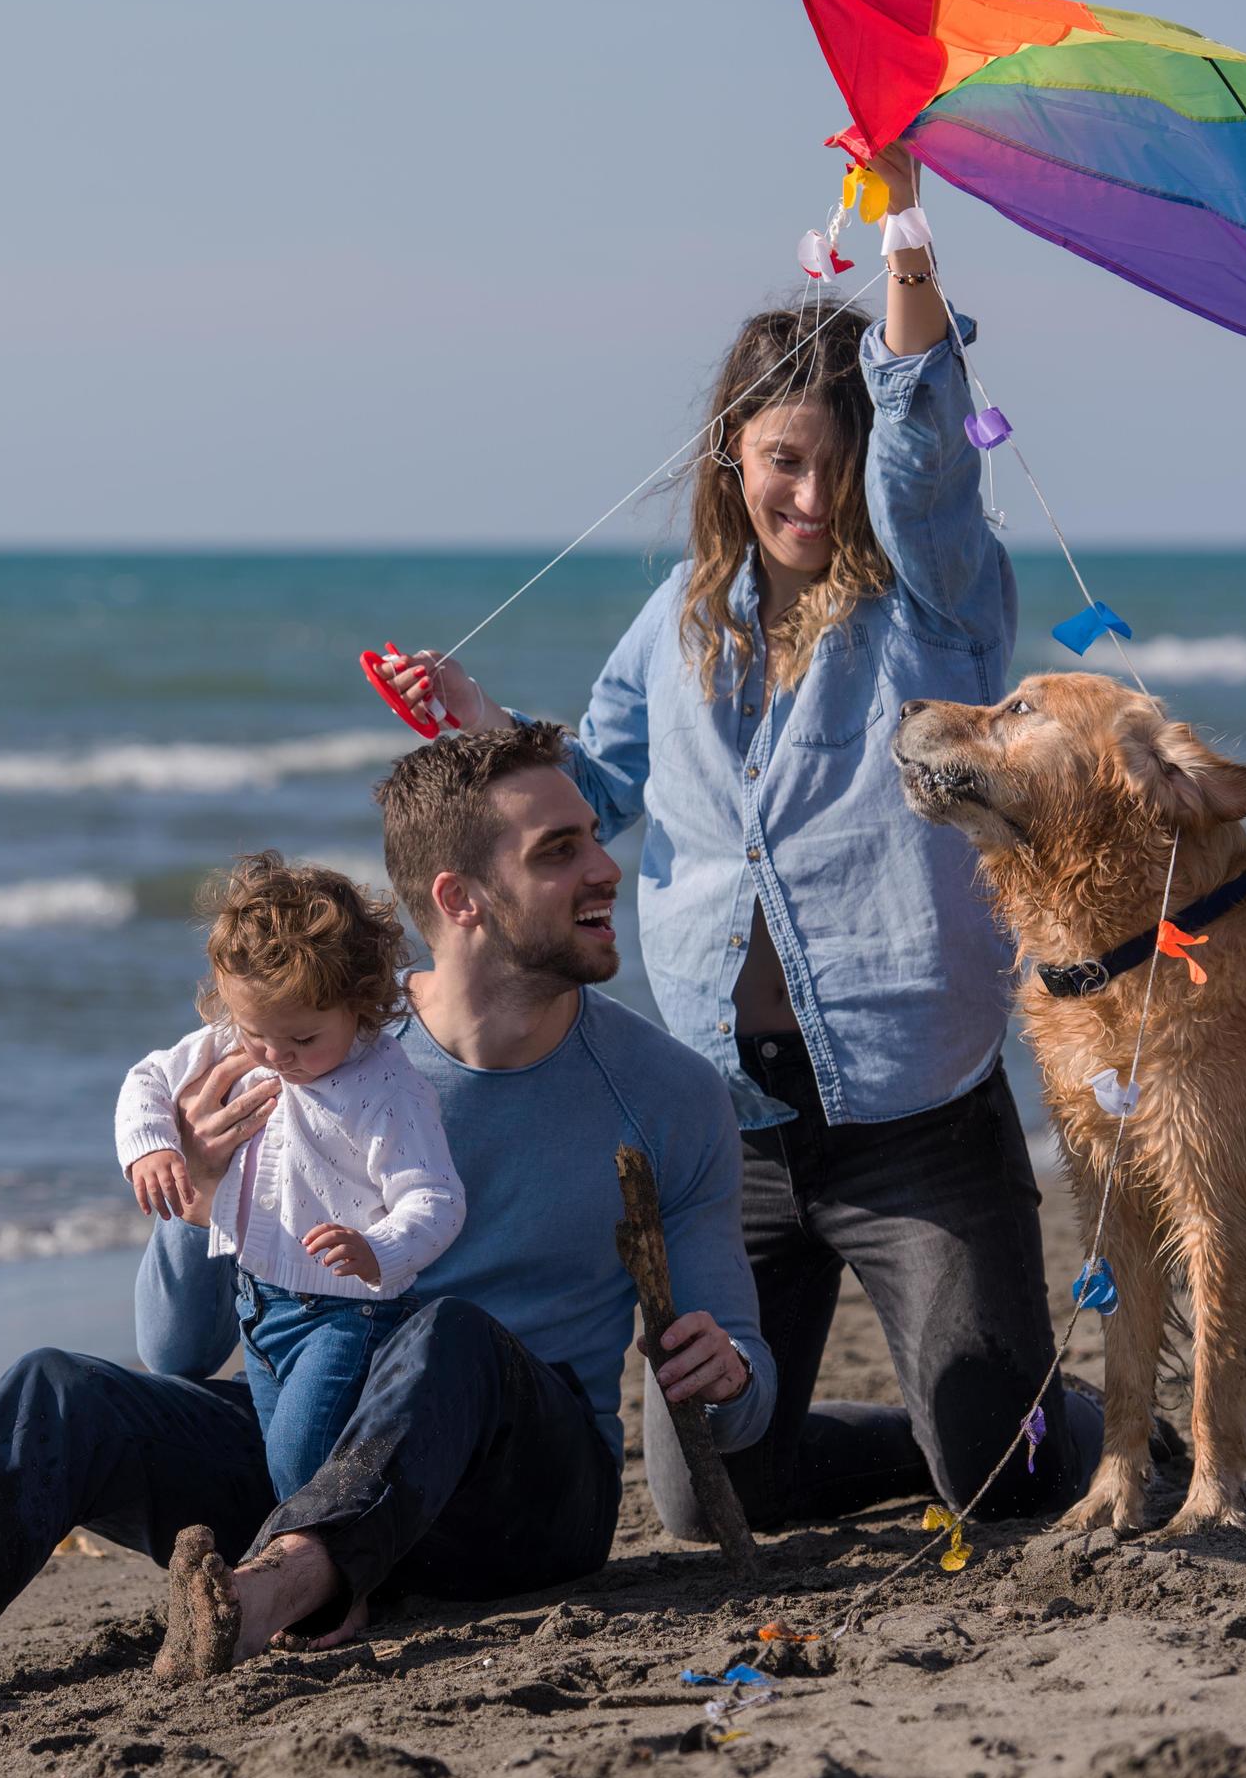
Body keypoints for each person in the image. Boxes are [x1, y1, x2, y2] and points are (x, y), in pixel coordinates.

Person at [0, 722, 774, 1707]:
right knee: (59, 1389)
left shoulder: (666, 1092)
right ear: (461, 897)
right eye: (561, 849)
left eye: (594, 836)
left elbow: (744, 1386)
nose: (606, 869)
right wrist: (197, 1185)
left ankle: (267, 1596)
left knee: (444, 1331)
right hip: (311, 1439)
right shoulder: (307, 1046)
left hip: (521, 1497)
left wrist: (725, 1371)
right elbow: (179, 1347)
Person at [385, 144, 1102, 1536]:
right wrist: (478, 719)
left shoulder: (935, 608)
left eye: (839, 467)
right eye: (784, 463)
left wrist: (901, 227)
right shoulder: (673, 621)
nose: (814, 499)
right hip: (734, 1129)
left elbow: (928, 449)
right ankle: (935, 1437)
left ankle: (1030, 1425)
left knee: (1003, 1492)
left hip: (916, 1120)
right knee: (709, 1498)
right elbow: (595, 780)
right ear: (732, 456)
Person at [118, 851, 463, 1502]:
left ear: (360, 1005)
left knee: (308, 1460)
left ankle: (339, 1586)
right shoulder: (236, 1042)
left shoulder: (385, 1089)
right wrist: (152, 1147)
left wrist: (379, 1248)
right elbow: (148, 1078)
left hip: (345, 1315)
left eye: (302, 1039)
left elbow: (435, 1199)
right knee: (282, 1461)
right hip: (257, 1305)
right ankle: (320, 1573)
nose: (276, 1057)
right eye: (257, 1034)